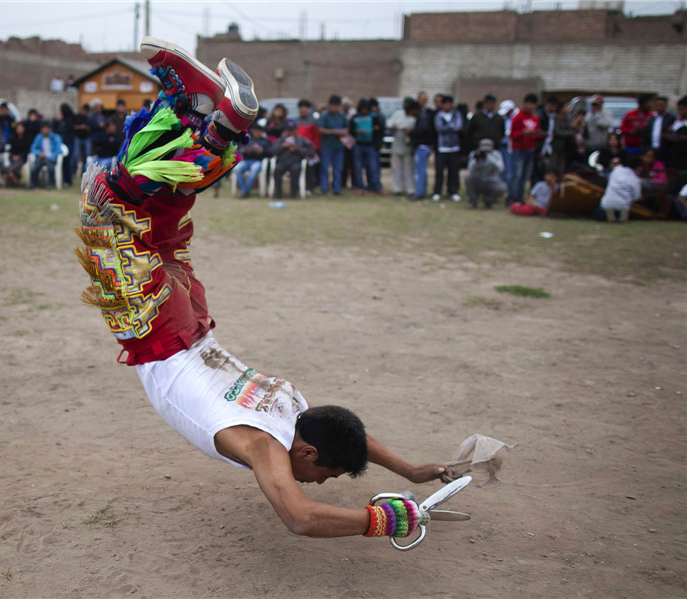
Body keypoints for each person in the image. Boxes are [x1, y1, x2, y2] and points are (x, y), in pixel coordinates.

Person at [75, 36, 447, 541]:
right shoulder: (266, 442)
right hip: (166, 331)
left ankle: (207, 117)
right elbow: (300, 517)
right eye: (323, 476)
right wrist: (382, 519)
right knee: (110, 212)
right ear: (308, 452)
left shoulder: (299, 408)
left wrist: (410, 472)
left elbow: (350, 436)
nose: (316, 483)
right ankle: (211, 121)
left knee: (154, 215)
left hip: (185, 320)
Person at [508, 93, 546, 204]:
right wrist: (523, 133)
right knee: (517, 175)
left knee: (525, 177)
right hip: (518, 150)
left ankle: (520, 197)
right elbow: (512, 135)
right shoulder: (518, 117)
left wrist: (540, 134)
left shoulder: (535, 118)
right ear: (524, 103)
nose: (531, 106)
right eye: (529, 103)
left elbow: (536, 134)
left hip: (530, 150)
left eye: (533, 104)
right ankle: (512, 197)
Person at [271, 119, 315, 199]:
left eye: (292, 130)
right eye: (288, 130)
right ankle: (278, 193)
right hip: (282, 162)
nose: (290, 132)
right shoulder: (281, 139)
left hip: (296, 162)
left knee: (295, 170)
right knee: (277, 170)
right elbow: (272, 151)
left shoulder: (302, 140)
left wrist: (299, 149)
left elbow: (311, 151)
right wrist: (283, 146)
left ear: (296, 130)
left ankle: (293, 193)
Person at [432, 94, 463, 202]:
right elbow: (439, 128)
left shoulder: (456, 114)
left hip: (454, 148)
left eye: (449, 104)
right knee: (439, 172)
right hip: (442, 148)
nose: (447, 106)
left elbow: (459, 127)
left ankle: (452, 192)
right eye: (445, 104)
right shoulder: (438, 115)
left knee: (453, 172)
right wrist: (451, 126)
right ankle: (437, 192)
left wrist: (447, 127)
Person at [350, 98, 383, 196]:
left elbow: (380, 128)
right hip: (358, 145)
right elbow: (351, 131)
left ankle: (376, 186)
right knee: (358, 167)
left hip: (370, 146)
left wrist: (374, 129)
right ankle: (360, 187)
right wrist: (357, 132)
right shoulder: (355, 117)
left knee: (373, 167)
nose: (364, 110)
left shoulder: (373, 117)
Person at [387, 98, 419, 196]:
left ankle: (410, 189)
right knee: (396, 169)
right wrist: (393, 127)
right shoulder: (398, 114)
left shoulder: (414, 117)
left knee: (408, 170)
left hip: (408, 145)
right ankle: (397, 189)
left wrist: (409, 131)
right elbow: (389, 124)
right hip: (397, 144)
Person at [318, 95, 348, 196]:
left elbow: (346, 129)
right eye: (332, 105)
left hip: (339, 147)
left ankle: (336, 189)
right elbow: (320, 129)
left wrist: (340, 132)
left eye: (336, 105)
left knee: (338, 169)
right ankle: (323, 188)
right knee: (324, 168)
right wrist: (334, 132)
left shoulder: (342, 116)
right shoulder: (325, 116)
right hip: (327, 146)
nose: (334, 108)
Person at [232, 122, 271, 198]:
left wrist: (262, 151)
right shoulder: (247, 140)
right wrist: (242, 151)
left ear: (262, 132)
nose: (257, 132)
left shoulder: (265, 141)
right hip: (246, 160)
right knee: (237, 169)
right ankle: (245, 191)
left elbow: (270, 152)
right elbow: (239, 148)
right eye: (255, 131)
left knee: (254, 169)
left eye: (259, 131)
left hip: (258, 161)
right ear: (252, 131)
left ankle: (244, 192)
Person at [465, 138, 506, 209]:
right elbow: (470, 171)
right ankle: (473, 201)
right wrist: (476, 159)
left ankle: (488, 201)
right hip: (478, 181)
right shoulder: (474, 153)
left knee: (502, 188)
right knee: (468, 178)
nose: (486, 152)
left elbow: (501, 169)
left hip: (491, 181)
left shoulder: (496, 154)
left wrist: (488, 157)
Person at [599, 156, 641, 222]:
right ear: (638, 167)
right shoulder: (634, 179)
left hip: (607, 204)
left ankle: (611, 219)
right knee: (623, 219)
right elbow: (636, 197)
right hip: (623, 206)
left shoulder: (616, 171)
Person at [410, 91, 436, 200]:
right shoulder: (423, 118)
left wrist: (412, 134)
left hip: (422, 146)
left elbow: (422, 132)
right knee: (421, 170)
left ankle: (419, 193)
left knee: (420, 170)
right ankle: (422, 191)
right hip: (424, 146)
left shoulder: (423, 118)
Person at [29, 122, 63, 189]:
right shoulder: (39, 137)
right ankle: (34, 183)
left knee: (50, 166)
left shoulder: (55, 137)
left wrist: (48, 156)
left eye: (45, 129)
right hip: (41, 157)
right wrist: (39, 153)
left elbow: (59, 150)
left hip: (52, 157)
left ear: (49, 129)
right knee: (35, 166)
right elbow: (33, 148)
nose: (44, 130)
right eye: (43, 129)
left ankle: (51, 183)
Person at [295, 99, 320, 191]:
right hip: (298, 149)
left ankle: (310, 187)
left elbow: (316, 136)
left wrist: (315, 149)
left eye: (304, 108)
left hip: (310, 149)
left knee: (311, 169)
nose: (302, 110)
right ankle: (298, 186)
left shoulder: (313, 121)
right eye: (300, 108)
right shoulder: (296, 121)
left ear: (308, 109)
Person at [55, 103, 76, 186]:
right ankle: (63, 179)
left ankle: (68, 180)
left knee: (67, 163)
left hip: (68, 144)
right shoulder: (61, 121)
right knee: (62, 163)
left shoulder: (69, 121)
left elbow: (64, 131)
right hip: (62, 144)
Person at [72, 103, 92, 174]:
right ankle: (73, 171)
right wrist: (81, 127)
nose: (85, 112)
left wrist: (87, 128)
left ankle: (84, 171)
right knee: (76, 155)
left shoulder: (89, 118)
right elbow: (73, 127)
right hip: (78, 138)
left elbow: (91, 128)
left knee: (87, 155)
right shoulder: (76, 117)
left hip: (86, 138)